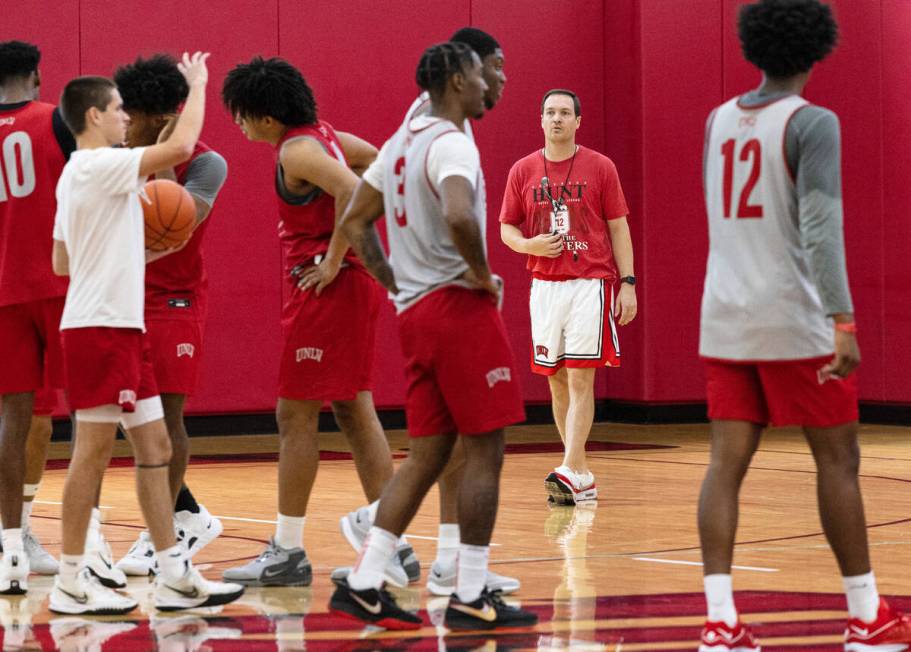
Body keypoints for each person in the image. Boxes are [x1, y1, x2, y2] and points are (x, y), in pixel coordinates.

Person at [697, 1, 911, 650]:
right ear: (816, 51)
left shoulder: (716, 120)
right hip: (792, 317)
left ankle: (719, 621)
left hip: (723, 313)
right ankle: (864, 614)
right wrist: (841, 318)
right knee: (837, 459)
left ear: (753, 48)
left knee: (723, 467)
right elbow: (819, 227)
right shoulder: (813, 122)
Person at [328, 41, 537, 631]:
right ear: (452, 80)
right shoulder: (449, 142)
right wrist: (477, 271)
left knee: (427, 456)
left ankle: (366, 581)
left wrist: (395, 282)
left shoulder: (398, 145)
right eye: (477, 74)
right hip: (457, 309)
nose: (485, 85)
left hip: (415, 313)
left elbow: (353, 221)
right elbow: (459, 213)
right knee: (485, 451)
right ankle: (471, 589)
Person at [49, 53, 243, 615]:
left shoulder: (86, 174)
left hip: (122, 325)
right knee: (90, 456)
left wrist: (127, 250)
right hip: (99, 328)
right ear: (93, 116)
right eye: (116, 109)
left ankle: (174, 572)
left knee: (156, 447)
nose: (124, 118)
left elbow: (62, 262)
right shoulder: (99, 165)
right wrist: (201, 84)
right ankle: (68, 579)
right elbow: (179, 148)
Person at [220, 56, 415, 587]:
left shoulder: (299, 149)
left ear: (264, 115)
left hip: (327, 292)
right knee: (355, 409)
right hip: (349, 291)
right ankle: (392, 541)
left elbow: (354, 191)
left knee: (294, 416)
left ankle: (286, 551)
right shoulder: (323, 135)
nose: (237, 125)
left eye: (239, 114)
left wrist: (331, 258)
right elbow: (374, 161)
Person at [111, 53, 227, 576]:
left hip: (173, 299)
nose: (122, 122)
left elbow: (175, 224)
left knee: (167, 416)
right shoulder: (113, 153)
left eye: (130, 114)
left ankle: (166, 533)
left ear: (156, 118)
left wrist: (156, 156)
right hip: (120, 296)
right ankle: (188, 513)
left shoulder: (206, 163)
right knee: (126, 419)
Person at [499, 88, 636, 505]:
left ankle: (570, 468)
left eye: (564, 113)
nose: (556, 119)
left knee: (581, 375)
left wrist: (627, 284)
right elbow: (507, 228)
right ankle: (578, 473)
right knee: (556, 379)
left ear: (579, 121)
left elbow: (618, 228)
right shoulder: (522, 170)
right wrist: (529, 246)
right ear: (540, 120)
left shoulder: (601, 167)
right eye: (550, 112)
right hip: (544, 285)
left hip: (588, 283)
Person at [0, 40, 76, 591]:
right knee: (100, 410)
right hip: (59, 279)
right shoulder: (55, 120)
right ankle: (89, 550)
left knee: (17, 418)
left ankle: (12, 541)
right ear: (35, 73)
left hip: (5, 291)